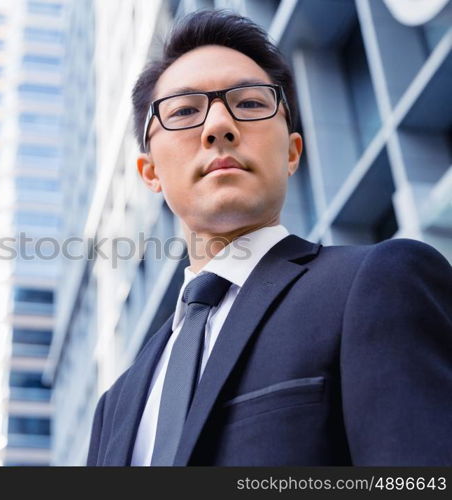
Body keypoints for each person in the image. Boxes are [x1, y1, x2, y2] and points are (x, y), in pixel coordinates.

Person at [86, 10, 452, 466]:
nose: (219, 126)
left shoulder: (377, 283)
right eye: (183, 110)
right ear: (150, 172)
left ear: (293, 152)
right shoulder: (114, 405)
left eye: (251, 104)